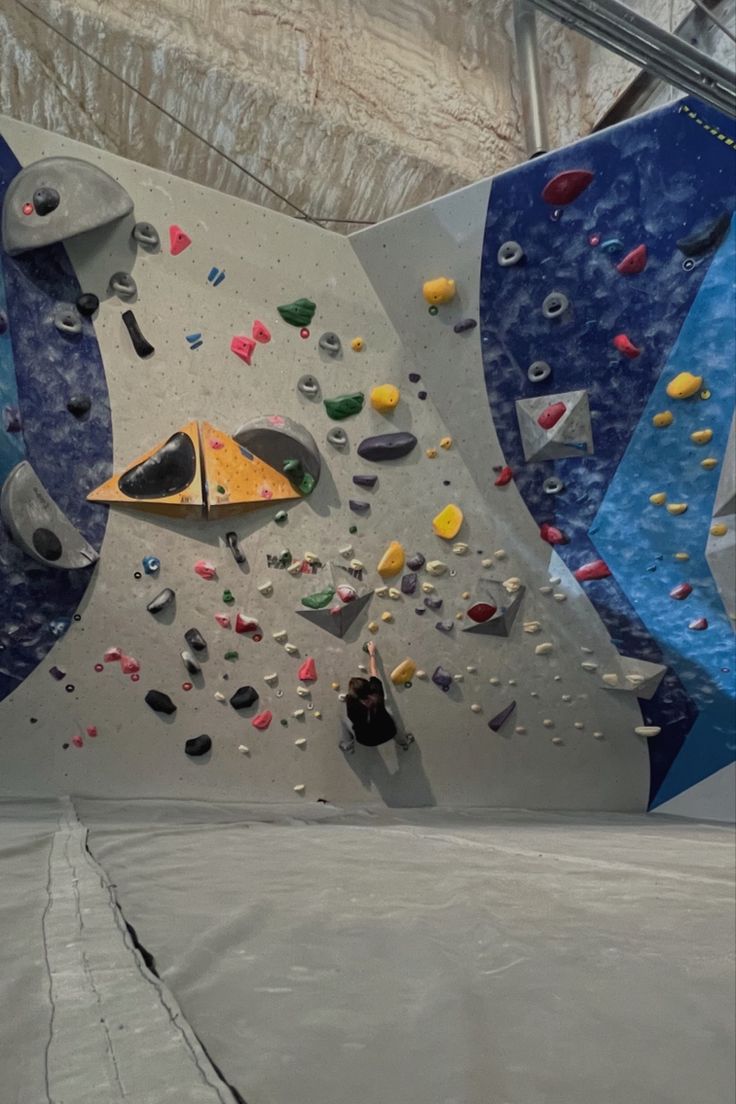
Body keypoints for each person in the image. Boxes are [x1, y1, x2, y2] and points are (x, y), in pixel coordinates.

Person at [339, 641, 414, 754]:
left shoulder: (351, 702)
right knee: (389, 713)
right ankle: (404, 741)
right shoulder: (376, 693)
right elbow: (374, 671)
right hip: (388, 732)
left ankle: (347, 745)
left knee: (344, 720)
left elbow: (352, 717)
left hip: (366, 740)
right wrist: (372, 653)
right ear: (367, 686)